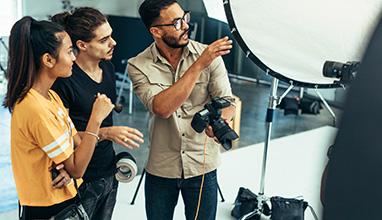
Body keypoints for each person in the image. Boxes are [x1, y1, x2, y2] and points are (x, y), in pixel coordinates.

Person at [128, 0, 236, 219]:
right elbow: (162, 108)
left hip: (202, 165)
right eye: (176, 23)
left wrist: (221, 121)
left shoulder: (209, 56)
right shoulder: (138, 65)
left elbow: (228, 102)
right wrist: (198, 66)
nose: (186, 25)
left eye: (185, 17)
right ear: (156, 31)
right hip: (161, 167)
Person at [3, 16, 114, 219]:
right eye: (70, 51)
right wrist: (96, 119)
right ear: (48, 59)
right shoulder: (33, 108)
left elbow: (77, 143)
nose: (74, 58)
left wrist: (67, 166)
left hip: (64, 200)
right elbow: (78, 168)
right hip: (46, 208)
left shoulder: (51, 97)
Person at [50, 7, 144, 219]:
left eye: (111, 36)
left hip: (107, 171)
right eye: (104, 40)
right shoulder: (64, 82)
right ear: (82, 45)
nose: (114, 43)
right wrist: (107, 132)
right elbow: (62, 137)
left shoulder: (108, 69)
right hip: (78, 177)